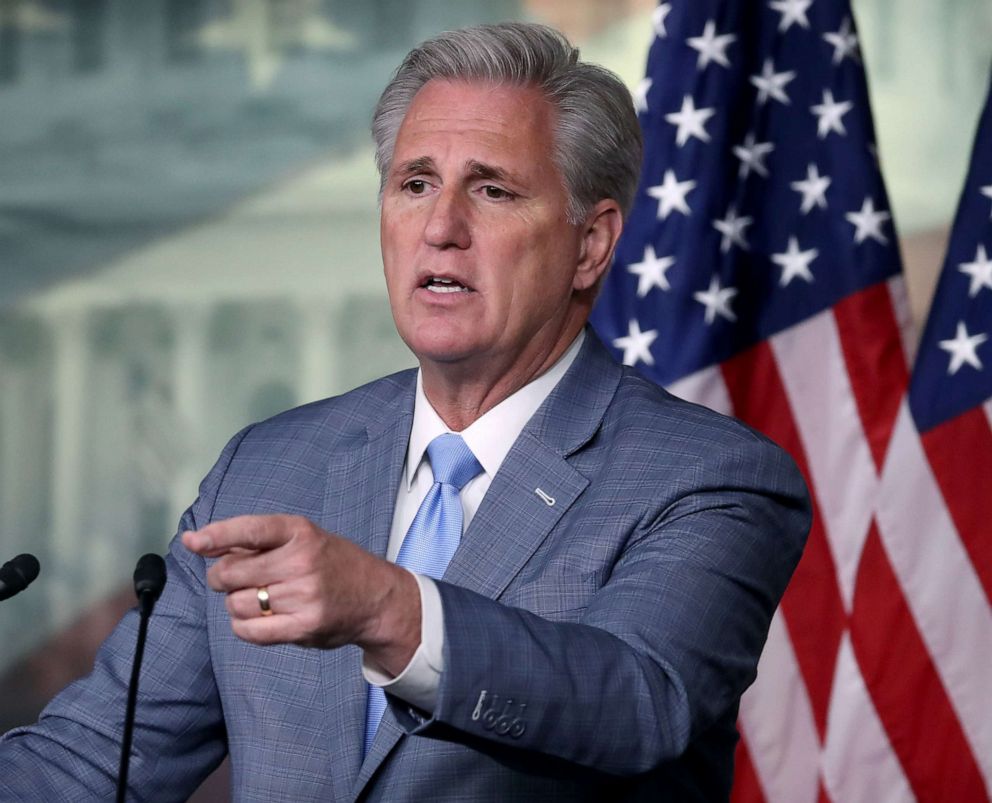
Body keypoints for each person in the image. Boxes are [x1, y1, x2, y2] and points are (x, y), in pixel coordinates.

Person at [0, 22, 810, 801]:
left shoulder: (711, 478)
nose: (441, 228)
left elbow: (638, 700)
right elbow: (98, 759)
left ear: (590, 245)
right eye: (415, 184)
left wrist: (389, 608)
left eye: (492, 190)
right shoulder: (268, 464)